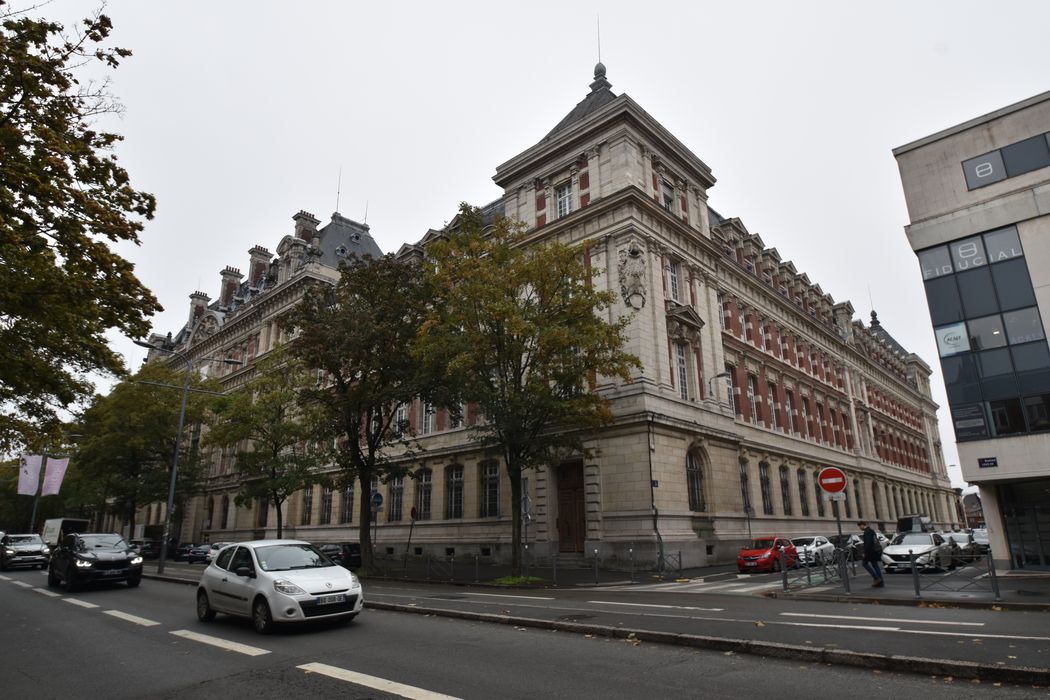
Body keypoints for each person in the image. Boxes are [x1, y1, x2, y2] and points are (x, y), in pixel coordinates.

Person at [858, 521, 884, 587]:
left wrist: (865, 553)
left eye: (860, 526)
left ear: (863, 525)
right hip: (874, 551)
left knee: (864, 563)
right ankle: (880, 582)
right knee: (875, 565)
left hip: (870, 552)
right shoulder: (871, 531)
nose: (860, 528)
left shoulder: (867, 532)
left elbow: (868, 543)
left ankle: (876, 578)